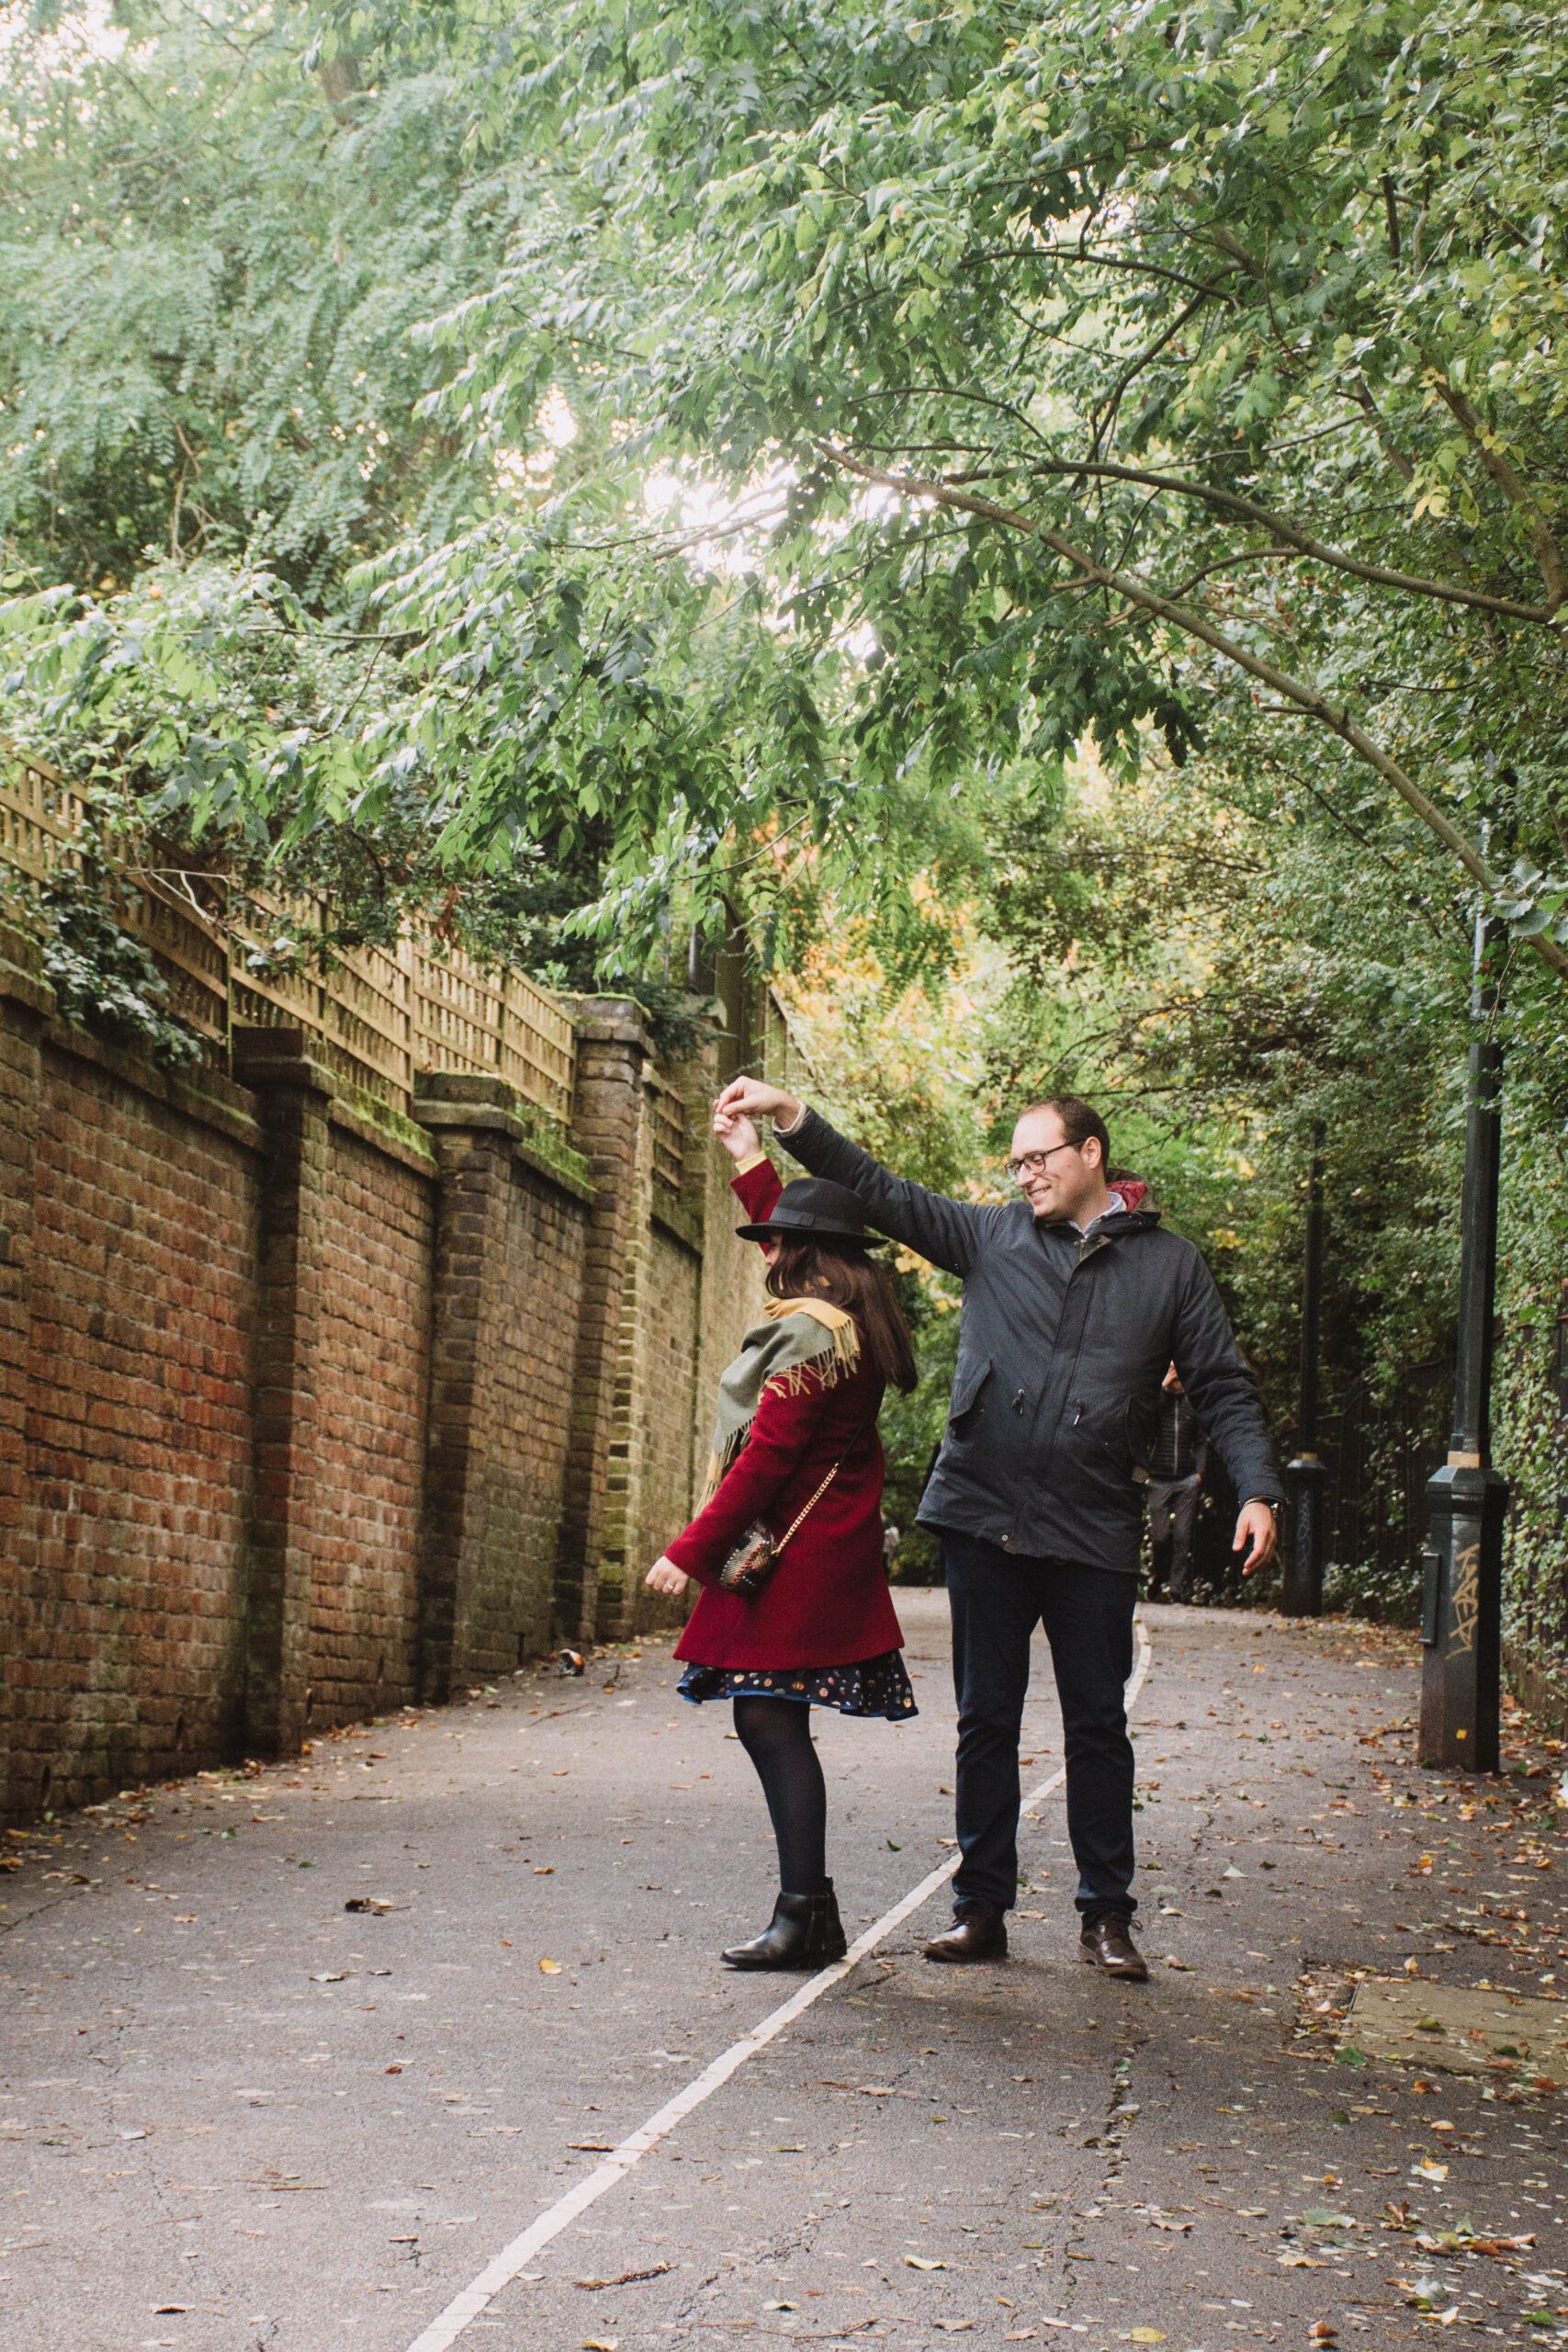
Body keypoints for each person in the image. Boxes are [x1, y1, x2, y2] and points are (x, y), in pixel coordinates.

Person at [711, 1078, 1283, 1984]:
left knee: (1097, 1727)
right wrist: (793, 1121)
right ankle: (979, 1909)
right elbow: (882, 1192)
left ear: (1090, 1153)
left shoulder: (1171, 1267)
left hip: (1092, 1522)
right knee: (986, 1720)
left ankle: (1106, 1916)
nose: (1023, 1175)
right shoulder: (991, 1236)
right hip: (982, 1515)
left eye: (1037, 1158)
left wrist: (1257, 1490)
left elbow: (1220, 1383)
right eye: (1014, 1163)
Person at [644, 1111, 919, 1972]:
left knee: (769, 1719)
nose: (765, 1253)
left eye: (775, 1244)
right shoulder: (848, 1312)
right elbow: (793, 1228)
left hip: (792, 1556)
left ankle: (805, 1915)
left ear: (800, 1254)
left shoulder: (808, 1332)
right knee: (771, 1717)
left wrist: (688, 1551)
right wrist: (749, 1161)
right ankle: (810, 1913)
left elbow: (765, 1459)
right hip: (826, 1542)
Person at [1146, 1363, 1208, 1602]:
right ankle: (1157, 1576)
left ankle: (1176, 1590)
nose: (1177, 1379)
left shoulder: (1192, 1404)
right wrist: (1163, 1389)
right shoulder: (1158, 1402)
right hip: (1158, 1479)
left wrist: (1199, 1473)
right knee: (1160, 1536)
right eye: (1172, 1373)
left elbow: (1201, 1441)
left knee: (1183, 1535)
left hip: (1186, 1480)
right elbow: (1146, 1419)